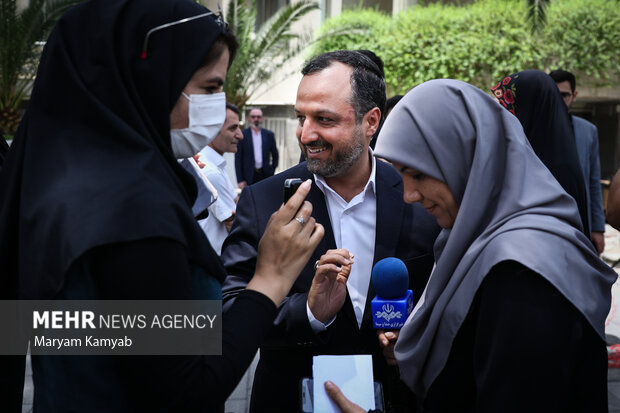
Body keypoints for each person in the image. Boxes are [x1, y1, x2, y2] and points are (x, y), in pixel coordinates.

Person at [0, 0, 324, 411]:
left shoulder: (61, 185)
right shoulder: (133, 208)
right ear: (150, 81)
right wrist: (270, 279)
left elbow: (44, 329)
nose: (218, 104)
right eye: (209, 88)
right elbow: (186, 390)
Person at [366, 79, 613, 412]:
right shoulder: (477, 239)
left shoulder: (523, 270)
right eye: (400, 176)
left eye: (418, 174)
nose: (409, 194)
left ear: (467, 158)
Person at [221, 50, 440, 413]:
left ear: (371, 122)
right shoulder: (265, 201)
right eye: (300, 117)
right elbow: (229, 310)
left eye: (324, 119)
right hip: (288, 399)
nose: (306, 134)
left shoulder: (417, 195)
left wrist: (414, 337)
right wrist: (309, 312)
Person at [492, 69, 591, 238]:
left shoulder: (559, 168)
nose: (502, 115)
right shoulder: (523, 154)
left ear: (527, 107)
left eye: (508, 106)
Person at [549, 69, 606, 254]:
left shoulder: (588, 131)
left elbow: (593, 182)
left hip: (580, 220)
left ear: (574, 96)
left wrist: (597, 228)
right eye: (554, 95)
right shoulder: (536, 130)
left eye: (564, 95)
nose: (559, 100)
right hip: (547, 219)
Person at [197, 102, 243, 255]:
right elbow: (235, 223)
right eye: (232, 128)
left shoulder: (215, 167)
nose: (240, 135)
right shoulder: (210, 171)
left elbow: (236, 202)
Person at [235, 107, 278, 189]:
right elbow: (238, 158)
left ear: (262, 118)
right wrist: (240, 180)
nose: (256, 119)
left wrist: (271, 171)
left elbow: (275, 155)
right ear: (249, 118)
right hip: (248, 176)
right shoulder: (243, 135)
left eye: (258, 117)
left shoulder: (269, 135)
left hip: (265, 174)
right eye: (253, 117)